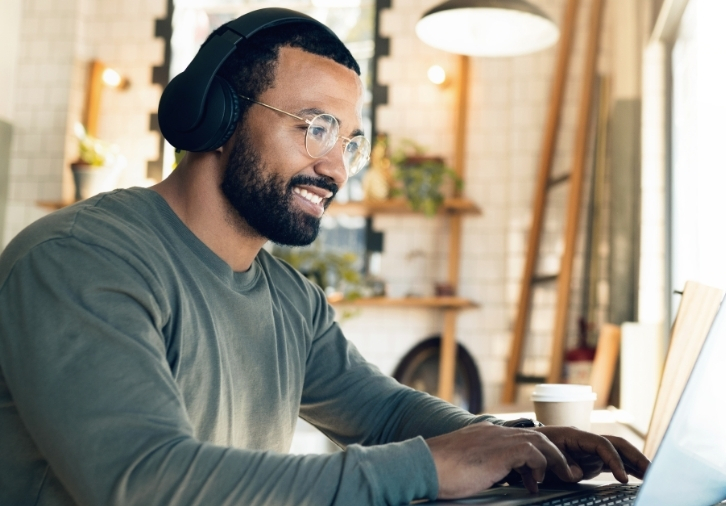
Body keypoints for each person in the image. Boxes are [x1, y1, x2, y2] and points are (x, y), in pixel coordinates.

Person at [0, 9, 648, 506]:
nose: (336, 167)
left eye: (350, 143)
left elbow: (387, 412)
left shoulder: (289, 300)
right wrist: (428, 467)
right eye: (316, 128)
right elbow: (142, 478)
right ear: (217, 119)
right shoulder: (79, 262)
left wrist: (512, 441)